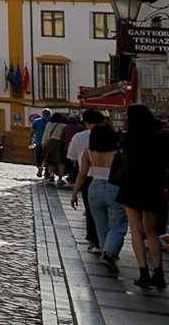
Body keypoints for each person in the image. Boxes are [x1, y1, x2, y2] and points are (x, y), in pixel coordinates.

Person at [116, 104, 169, 289]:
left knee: (136, 231)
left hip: (132, 186)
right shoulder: (162, 138)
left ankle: (143, 272)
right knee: (152, 232)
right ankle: (159, 274)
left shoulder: (128, 138)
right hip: (153, 187)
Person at [73, 115, 126, 272]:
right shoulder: (117, 153)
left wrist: (74, 193)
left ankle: (106, 252)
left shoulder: (89, 153)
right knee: (118, 225)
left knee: (101, 225)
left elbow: (81, 175)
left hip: (94, 188)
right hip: (114, 188)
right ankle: (109, 253)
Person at [67, 113, 98, 247]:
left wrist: (74, 193)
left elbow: (72, 158)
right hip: (110, 179)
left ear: (85, 123)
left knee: (91, 211)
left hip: (88, 177)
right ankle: (109, 245)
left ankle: (94, 241)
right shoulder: (112, 135)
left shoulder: (79, 137)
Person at [33, 109, 52, 174]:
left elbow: (31, 132)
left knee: (39, 157)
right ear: (50, 114)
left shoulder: (37, 121)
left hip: (39, 143)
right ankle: (47, 172)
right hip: (49, 144)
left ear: (42, 114)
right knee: (48, 158)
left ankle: (39, 167)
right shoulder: (52, 121)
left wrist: (30, 141)